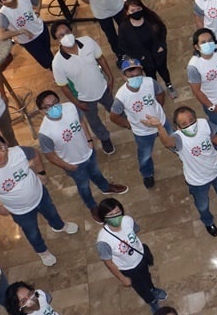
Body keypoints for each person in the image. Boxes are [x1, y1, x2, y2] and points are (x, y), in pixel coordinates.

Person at [0, 135, 78, 267]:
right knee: (32, 232)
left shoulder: (19, 152)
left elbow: (35, 153)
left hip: (40, 195)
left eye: (0, 148)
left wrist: (41, 173)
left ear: (6, 146)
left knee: (52, 212)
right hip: (20, 211)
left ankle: (59, 226)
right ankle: (42, 251)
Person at [147, 106, 217, 237]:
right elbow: (168, 143)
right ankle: (208, 221)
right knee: (202, 204)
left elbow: (213, 137)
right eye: (184, 124)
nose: (190, 125)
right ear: (177, 127)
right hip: (198, 180)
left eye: (191, 120)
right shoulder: (178, 138)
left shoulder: (203, 123)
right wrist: (159, 127)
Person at [36, 90, 127, 222]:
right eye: (48, 106)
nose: (54, 107)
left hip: (88, 152)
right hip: (73, 164)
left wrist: (89, 140)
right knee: (83, 186)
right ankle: (92, 206)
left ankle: (105, 187)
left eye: (55, 102)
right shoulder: (45, 133)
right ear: (42, 111)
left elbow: (82, 121)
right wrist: (68, 166)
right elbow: (50, 155)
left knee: (96, 172)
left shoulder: (71, 108)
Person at [50, 21, 116, 154]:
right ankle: (104, 138)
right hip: (84, 98)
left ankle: (129, 122)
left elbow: (100, 58)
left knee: (115, 109)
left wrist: (110, 77)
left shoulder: (87, 41)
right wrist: (78, 103)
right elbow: (63, 87)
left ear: (72, 31)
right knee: (94, 121)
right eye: (61, 35)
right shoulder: (58, 63)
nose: (66, 36)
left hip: (103, 88)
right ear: (57, 40)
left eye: (67, 32)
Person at [95, 198, 167, 312]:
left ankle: (152, 289)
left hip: (140, 256)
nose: (116, 216)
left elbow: (135, 231)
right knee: (140, 286)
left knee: (147, 276)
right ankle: (151, 301)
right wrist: (122, 278)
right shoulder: (103, 241)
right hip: (128, 268)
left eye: (118, 212)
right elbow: (108, 263)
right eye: (111, 214)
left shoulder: (127, 220)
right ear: (103, 217)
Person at [110, 58, 171, 189]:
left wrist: (157, 109)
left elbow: (160, 94)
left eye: (138, 75)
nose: (135, 78)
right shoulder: (121, 96)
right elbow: (114, 116)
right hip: (143, 132)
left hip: (161, 122)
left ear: (142, 73)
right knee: (144, 156)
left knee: (174, 141)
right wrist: (129, 125)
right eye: (131, 76)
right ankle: (147, 174)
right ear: (124, 77)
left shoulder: (150, 82)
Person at [118, 0, 177, 97]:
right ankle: (156, 89)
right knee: (150, 74)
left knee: (163, 70)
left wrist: (162, 45)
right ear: (127, 12)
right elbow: (123, 45)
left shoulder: (150, 18)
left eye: (138, 9)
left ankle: (169, 84)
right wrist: (138, 56)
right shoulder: (124, 27)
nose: (136, 12)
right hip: (143, 57)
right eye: (132, 10)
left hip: (158, 52)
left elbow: (162, 29)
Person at [0, 0, 53, 69]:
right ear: (0, 3)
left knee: (47, 51)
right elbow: (2, 35)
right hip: (29, 41)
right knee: (47, 61)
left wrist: (37, 10)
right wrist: (21, 31)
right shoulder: (3, 14)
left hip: (41, 29)